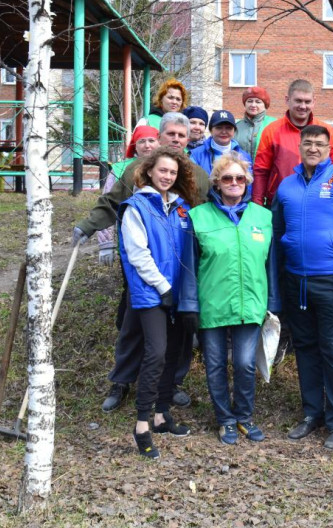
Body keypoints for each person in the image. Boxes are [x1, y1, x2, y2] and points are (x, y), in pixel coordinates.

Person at [72, 113, 209, 412]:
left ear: (189, 140)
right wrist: (87, 225)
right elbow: (110, 203)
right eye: (170, 134)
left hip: (181, 267)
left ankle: (172, 383)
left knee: (181, 329)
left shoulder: (197, 176)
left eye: (181, 135)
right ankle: (121, 380)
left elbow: (206, 217)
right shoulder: (137, 169)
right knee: (133, 324)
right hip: (143, 266)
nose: (175, 139)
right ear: (159, 136)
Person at [273, 125, 333, 450]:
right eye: (308, 143)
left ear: (330, 148)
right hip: (296, 280)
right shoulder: (286, 186)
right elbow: (277, 234)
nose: (313, 148)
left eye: (320, 144)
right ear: (299, 147)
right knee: (305, 349)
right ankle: (312, 413)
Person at [184, 154, 280, 445]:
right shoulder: (198, 217)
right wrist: (190, 304)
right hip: (211, 303)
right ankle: (225, 419)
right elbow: (189, 266)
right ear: (217, 182)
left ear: (247, 182)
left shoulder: (263, 217)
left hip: (250, 303)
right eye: (228, 178)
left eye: (240, 178)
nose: (234, 183)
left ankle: (244, 417)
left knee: (244, 364)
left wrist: (273, 302)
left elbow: (271, 264)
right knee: (214, 364)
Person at [117, 146, 200, 458]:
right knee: (156, 353)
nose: (168, 176)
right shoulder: (136, 207)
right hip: (151, 294)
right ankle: (141, 424)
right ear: (150, 170)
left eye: (173, 173)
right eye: (163, 170)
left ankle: (162, 414)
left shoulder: (181, 209)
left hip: (178, 294)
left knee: (176, 353)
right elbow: (138, 254)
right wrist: (163, 287)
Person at [251, 79, 333, 207]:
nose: (303, 106)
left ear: (314, 102)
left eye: (307, 101)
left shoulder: (327, 131)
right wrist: (257, 205)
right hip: (281, 201)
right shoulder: (271, 131)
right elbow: (261, 171)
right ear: (287, 100)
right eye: (298, 101)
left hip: (319, 201)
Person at [96, 125, 160, 269]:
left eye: (151, 140)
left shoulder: (167, 167)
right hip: (130, 236)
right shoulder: (119, 169)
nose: (147, 145)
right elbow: (108, 204)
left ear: (159, 142)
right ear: (135, 146)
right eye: (142, 141)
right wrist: (106, 243)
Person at [189, 110, 252, 175]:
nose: (224, 132)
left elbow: (248, 183)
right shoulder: (196, 155)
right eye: (219, 128)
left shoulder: (244, 157)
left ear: (234, 131)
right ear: (211, 130)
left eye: (228, 128)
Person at [235, 86, 276, 158]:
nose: (253, 105)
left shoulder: (274, 125)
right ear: (245, 104)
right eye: (250, 101)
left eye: (258, 102)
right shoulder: (236, 127)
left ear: (265, 105)